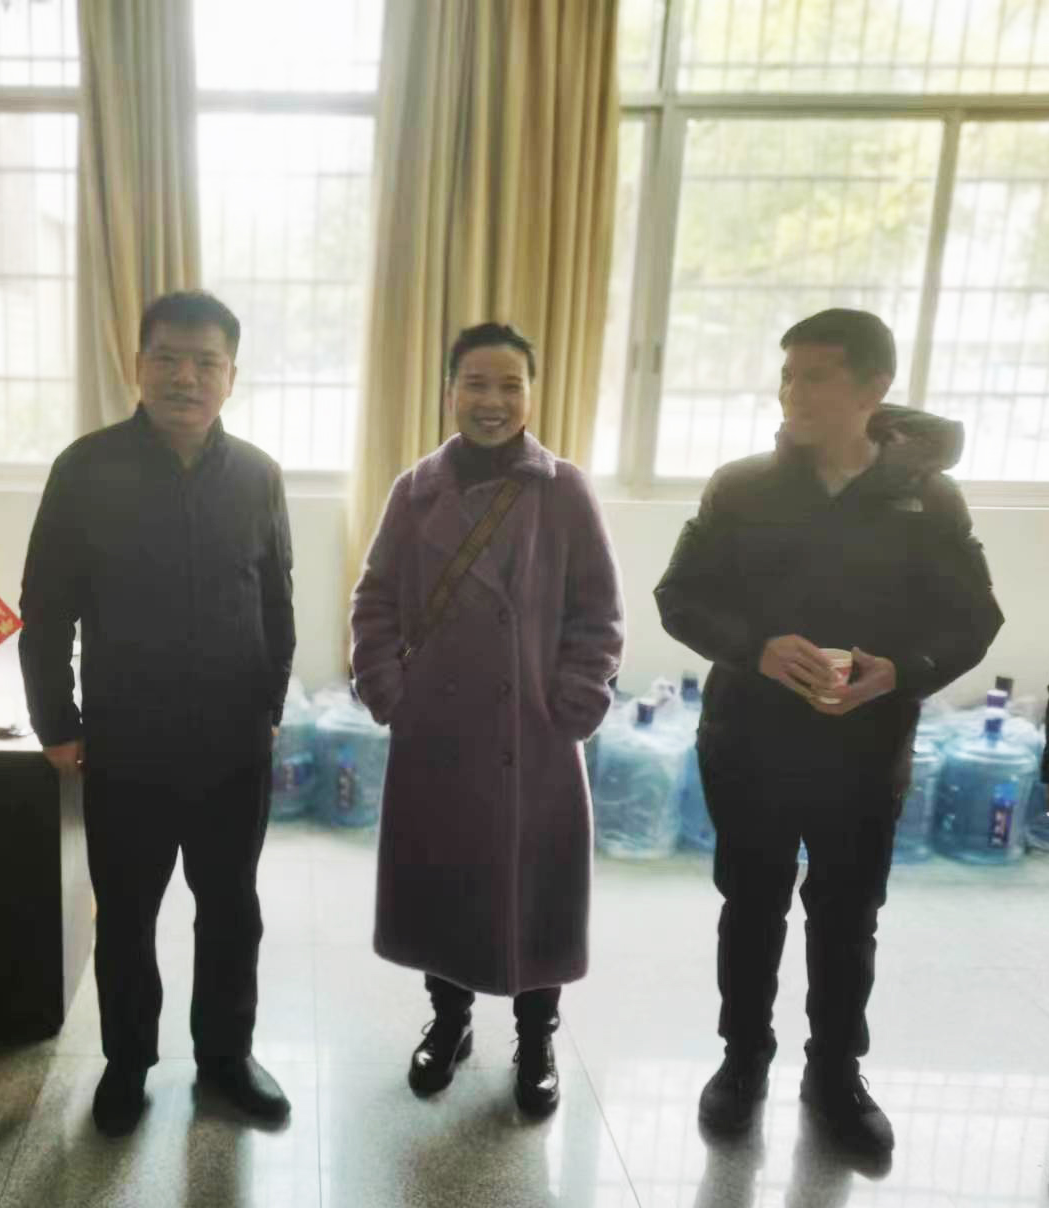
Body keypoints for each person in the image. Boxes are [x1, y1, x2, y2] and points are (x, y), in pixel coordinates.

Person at [654, 308, 1003, 1159]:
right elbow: (679, 597)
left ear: (873, 386)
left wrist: (902, 670)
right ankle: (743, 1059)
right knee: (751, 904)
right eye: (786, 375)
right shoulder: (741, 488)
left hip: (864, 749)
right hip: (750, 741)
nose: (791, 393)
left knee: (848, 914)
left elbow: (974, 619)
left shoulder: (927, 500)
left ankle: (836, 1073)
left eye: (814, 376)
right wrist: (756, 648)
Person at [20, 290, 296, 1137]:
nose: (186, 378)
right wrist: (56, 723)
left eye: (207, 363)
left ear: (231, 376)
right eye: (168, 359)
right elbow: (46, 608)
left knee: (232, 909)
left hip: (232, 745)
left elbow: (277, 603)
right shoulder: (85, 469)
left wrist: (271, 705)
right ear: (137, 366)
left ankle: (226, 1057)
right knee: (128, 915)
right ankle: (128, 1061)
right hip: (127, 742)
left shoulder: (258, 476)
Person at [349, 322, 624, 1115]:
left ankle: (537, 1039)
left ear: (532, 395)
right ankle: (450, 1022)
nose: (492, 401)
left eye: (510, 385)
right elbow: (374, 597)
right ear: (450, 392)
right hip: (438, 734)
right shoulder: (415, 491)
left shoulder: (564, 490)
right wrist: (388, 686)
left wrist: (574, 701)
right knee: (447, 882)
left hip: (535, 733)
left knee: (537, 891)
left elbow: (599, 609)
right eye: (476, 383)